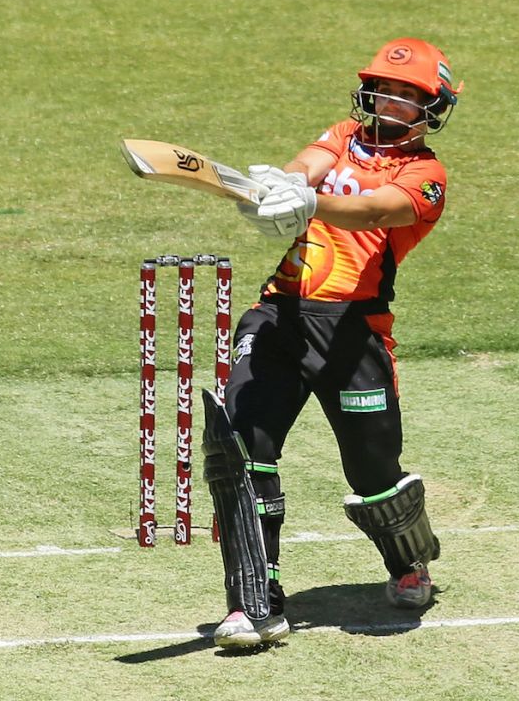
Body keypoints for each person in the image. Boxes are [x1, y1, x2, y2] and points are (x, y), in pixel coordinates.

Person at [203, 37, 463, 649]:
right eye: (385, 87)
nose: (391, 99)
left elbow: (374, 210)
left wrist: (312, 201)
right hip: (279, 313)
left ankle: (408, 563)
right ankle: (255, 605)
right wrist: (280, 186)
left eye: (409, 93)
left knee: (373, 473)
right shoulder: (346, 132)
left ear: (432, 107)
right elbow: (305, 166)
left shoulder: (427, 177)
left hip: (353, 333)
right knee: (244, 450)